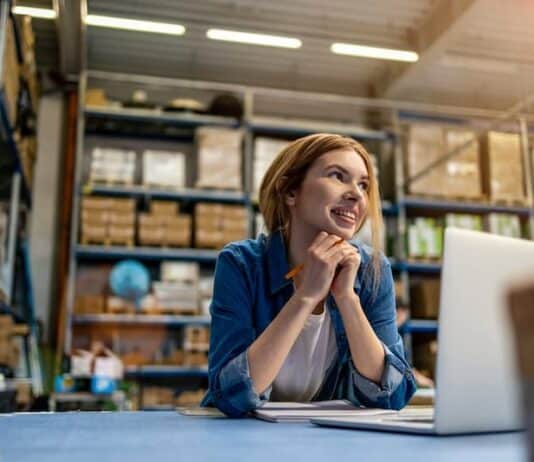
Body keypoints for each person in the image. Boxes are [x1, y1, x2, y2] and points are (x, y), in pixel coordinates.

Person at [200, 133, 416, 417]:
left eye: (363, 184)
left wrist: (347, 298)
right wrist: (305, 296)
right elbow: (231, 395)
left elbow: (393, 395)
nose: (356, 194)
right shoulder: (241, 264)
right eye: (338, 176)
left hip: (325, 441)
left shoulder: (373, 270)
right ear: (290, 192)